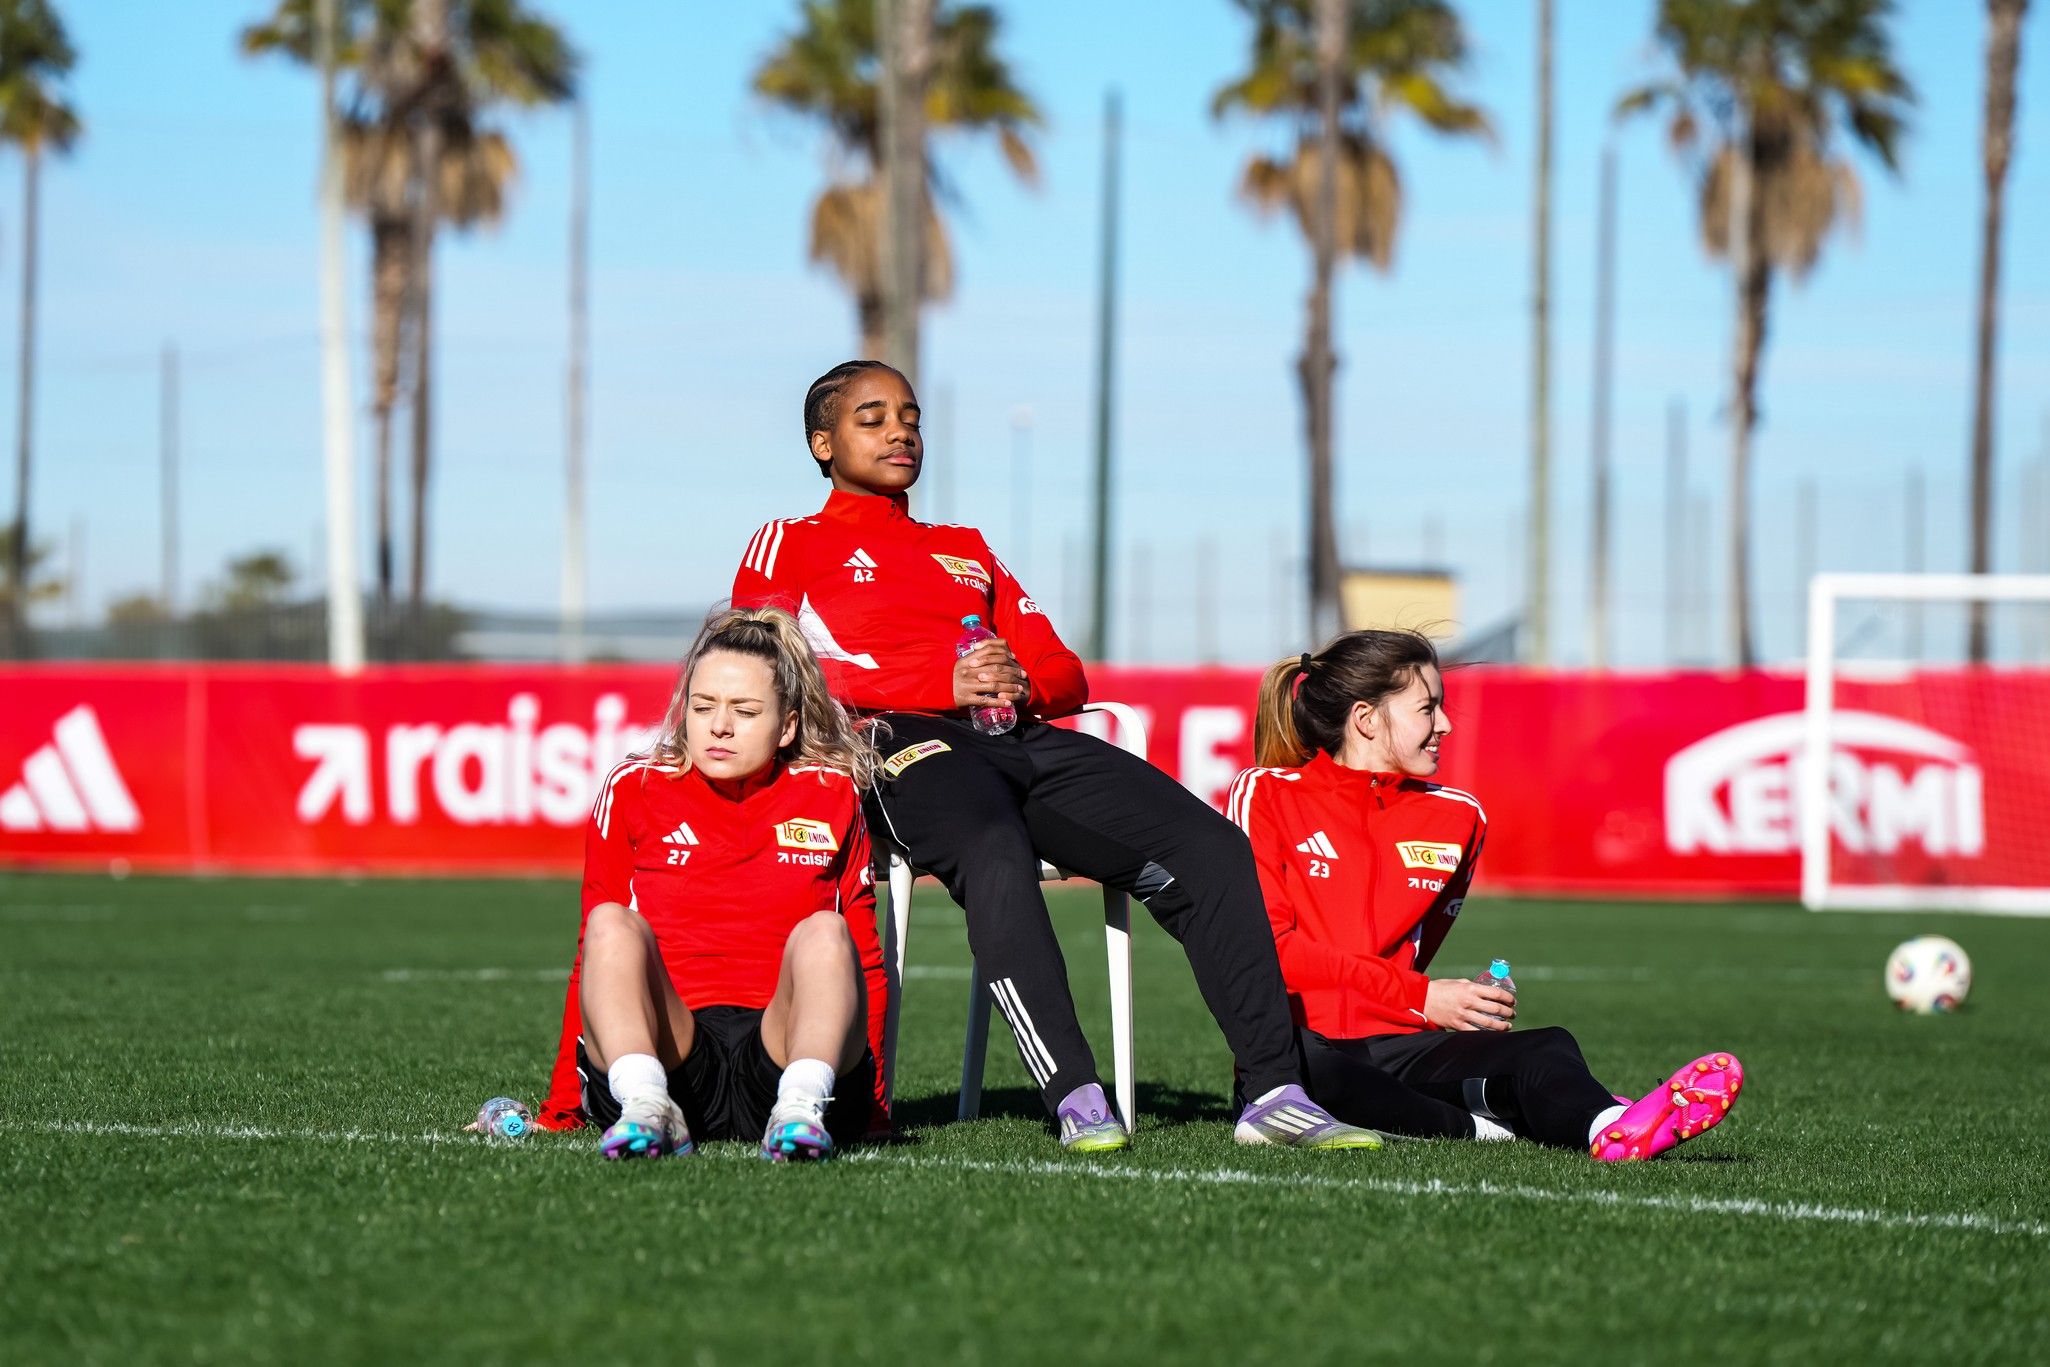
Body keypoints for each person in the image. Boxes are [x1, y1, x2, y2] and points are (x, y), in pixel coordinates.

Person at [729, 358, 1378, 1153]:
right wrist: (944, 679)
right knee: (993, 841)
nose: (901, 430)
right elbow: (763, 663)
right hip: (893, 740)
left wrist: (1019, 681)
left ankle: (1274, 1090)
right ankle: (1076, 1092)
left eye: (911, 415)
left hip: (1018, 735)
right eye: (873, 417)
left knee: (1209, 847)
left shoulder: (964, 548)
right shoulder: (789, 542)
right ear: (822, 443)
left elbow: (1066, 669)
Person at [1226, 629, 1744, 1161]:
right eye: (1427, 709)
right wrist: (1421, 996)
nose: (1445, 725)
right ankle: (1500, 1126)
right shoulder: (1264, 794)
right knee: (1320, 1068)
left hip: (1403, 1042)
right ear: (1365, 719)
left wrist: (1462, 1005)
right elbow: (1263, 952)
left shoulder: (1460, 818)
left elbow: (1415, 951)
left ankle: (1609, 1125)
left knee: (1545, 1048)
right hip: (1302, 1049)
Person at [537, 607, 889, 1161]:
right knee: (610, 924)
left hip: (784, 1051)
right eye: (702, 707)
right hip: (670, 1052)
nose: (718, 726)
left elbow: (865, 959)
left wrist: (873, 1110)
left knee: (826, 932)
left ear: (788, 725)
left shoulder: (831, 791)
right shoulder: (635, 786)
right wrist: (560, 1110)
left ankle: (799, 1112)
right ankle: (648, 1110)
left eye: (745, 711)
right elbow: (593, 955)